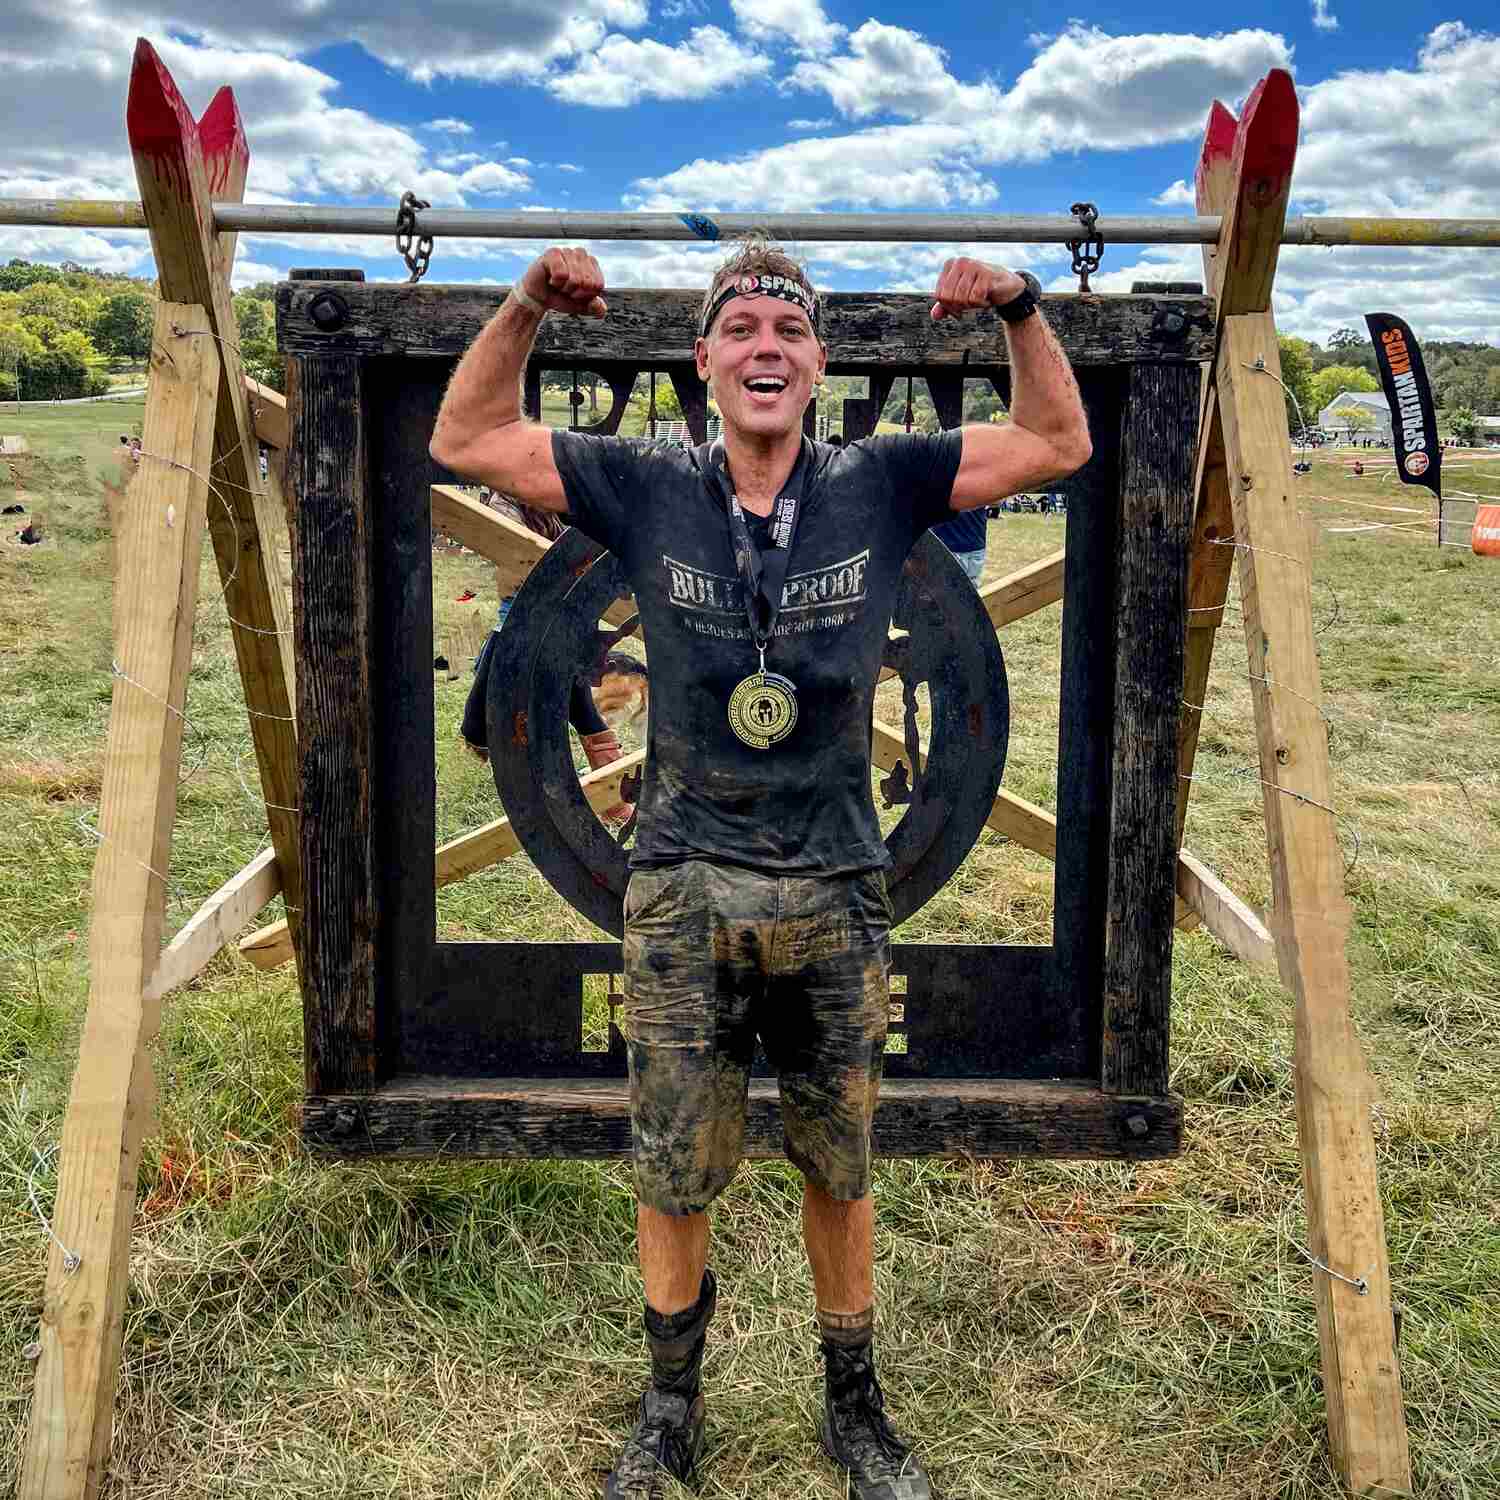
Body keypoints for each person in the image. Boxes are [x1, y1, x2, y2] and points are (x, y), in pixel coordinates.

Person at [431, 238, 1090, 1500]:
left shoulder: (883, 479)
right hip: (684, 882)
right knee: (674, 1169)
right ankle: (669, 1410)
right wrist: (522, 306)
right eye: (740, 330)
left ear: (819, 363)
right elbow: (467, 438)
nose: (765, 349)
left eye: (788, 331)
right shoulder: (642, 483)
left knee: (840, 1166)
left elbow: (1058, 441)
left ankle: (855, 1411)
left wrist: (1019, 306)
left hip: (839, 882)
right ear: (706, 362)